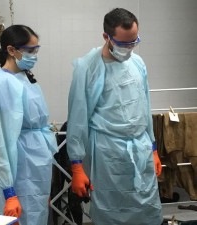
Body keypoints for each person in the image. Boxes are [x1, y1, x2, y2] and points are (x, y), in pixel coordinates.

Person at [66, 8, 163, 225]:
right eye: (123, 44)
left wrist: (153, 147)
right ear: (106, 37)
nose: (129, 49)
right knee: (112, 212)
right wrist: (77, 167)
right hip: (107, 154)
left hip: (141, 150)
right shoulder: (88, 68)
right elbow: (77, 119)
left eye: (134, 42)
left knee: (147, 208)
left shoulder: (137, 63)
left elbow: (144, 107)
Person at [0, 24, 58, 225]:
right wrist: (9, 192)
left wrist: (42, 187)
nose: (35, 55)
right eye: (30, 50)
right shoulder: (2, 83)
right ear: (11, 50)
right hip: (19, 171)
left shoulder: (24, 78)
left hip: (35, 167)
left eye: (36, 49)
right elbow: (1, 140)